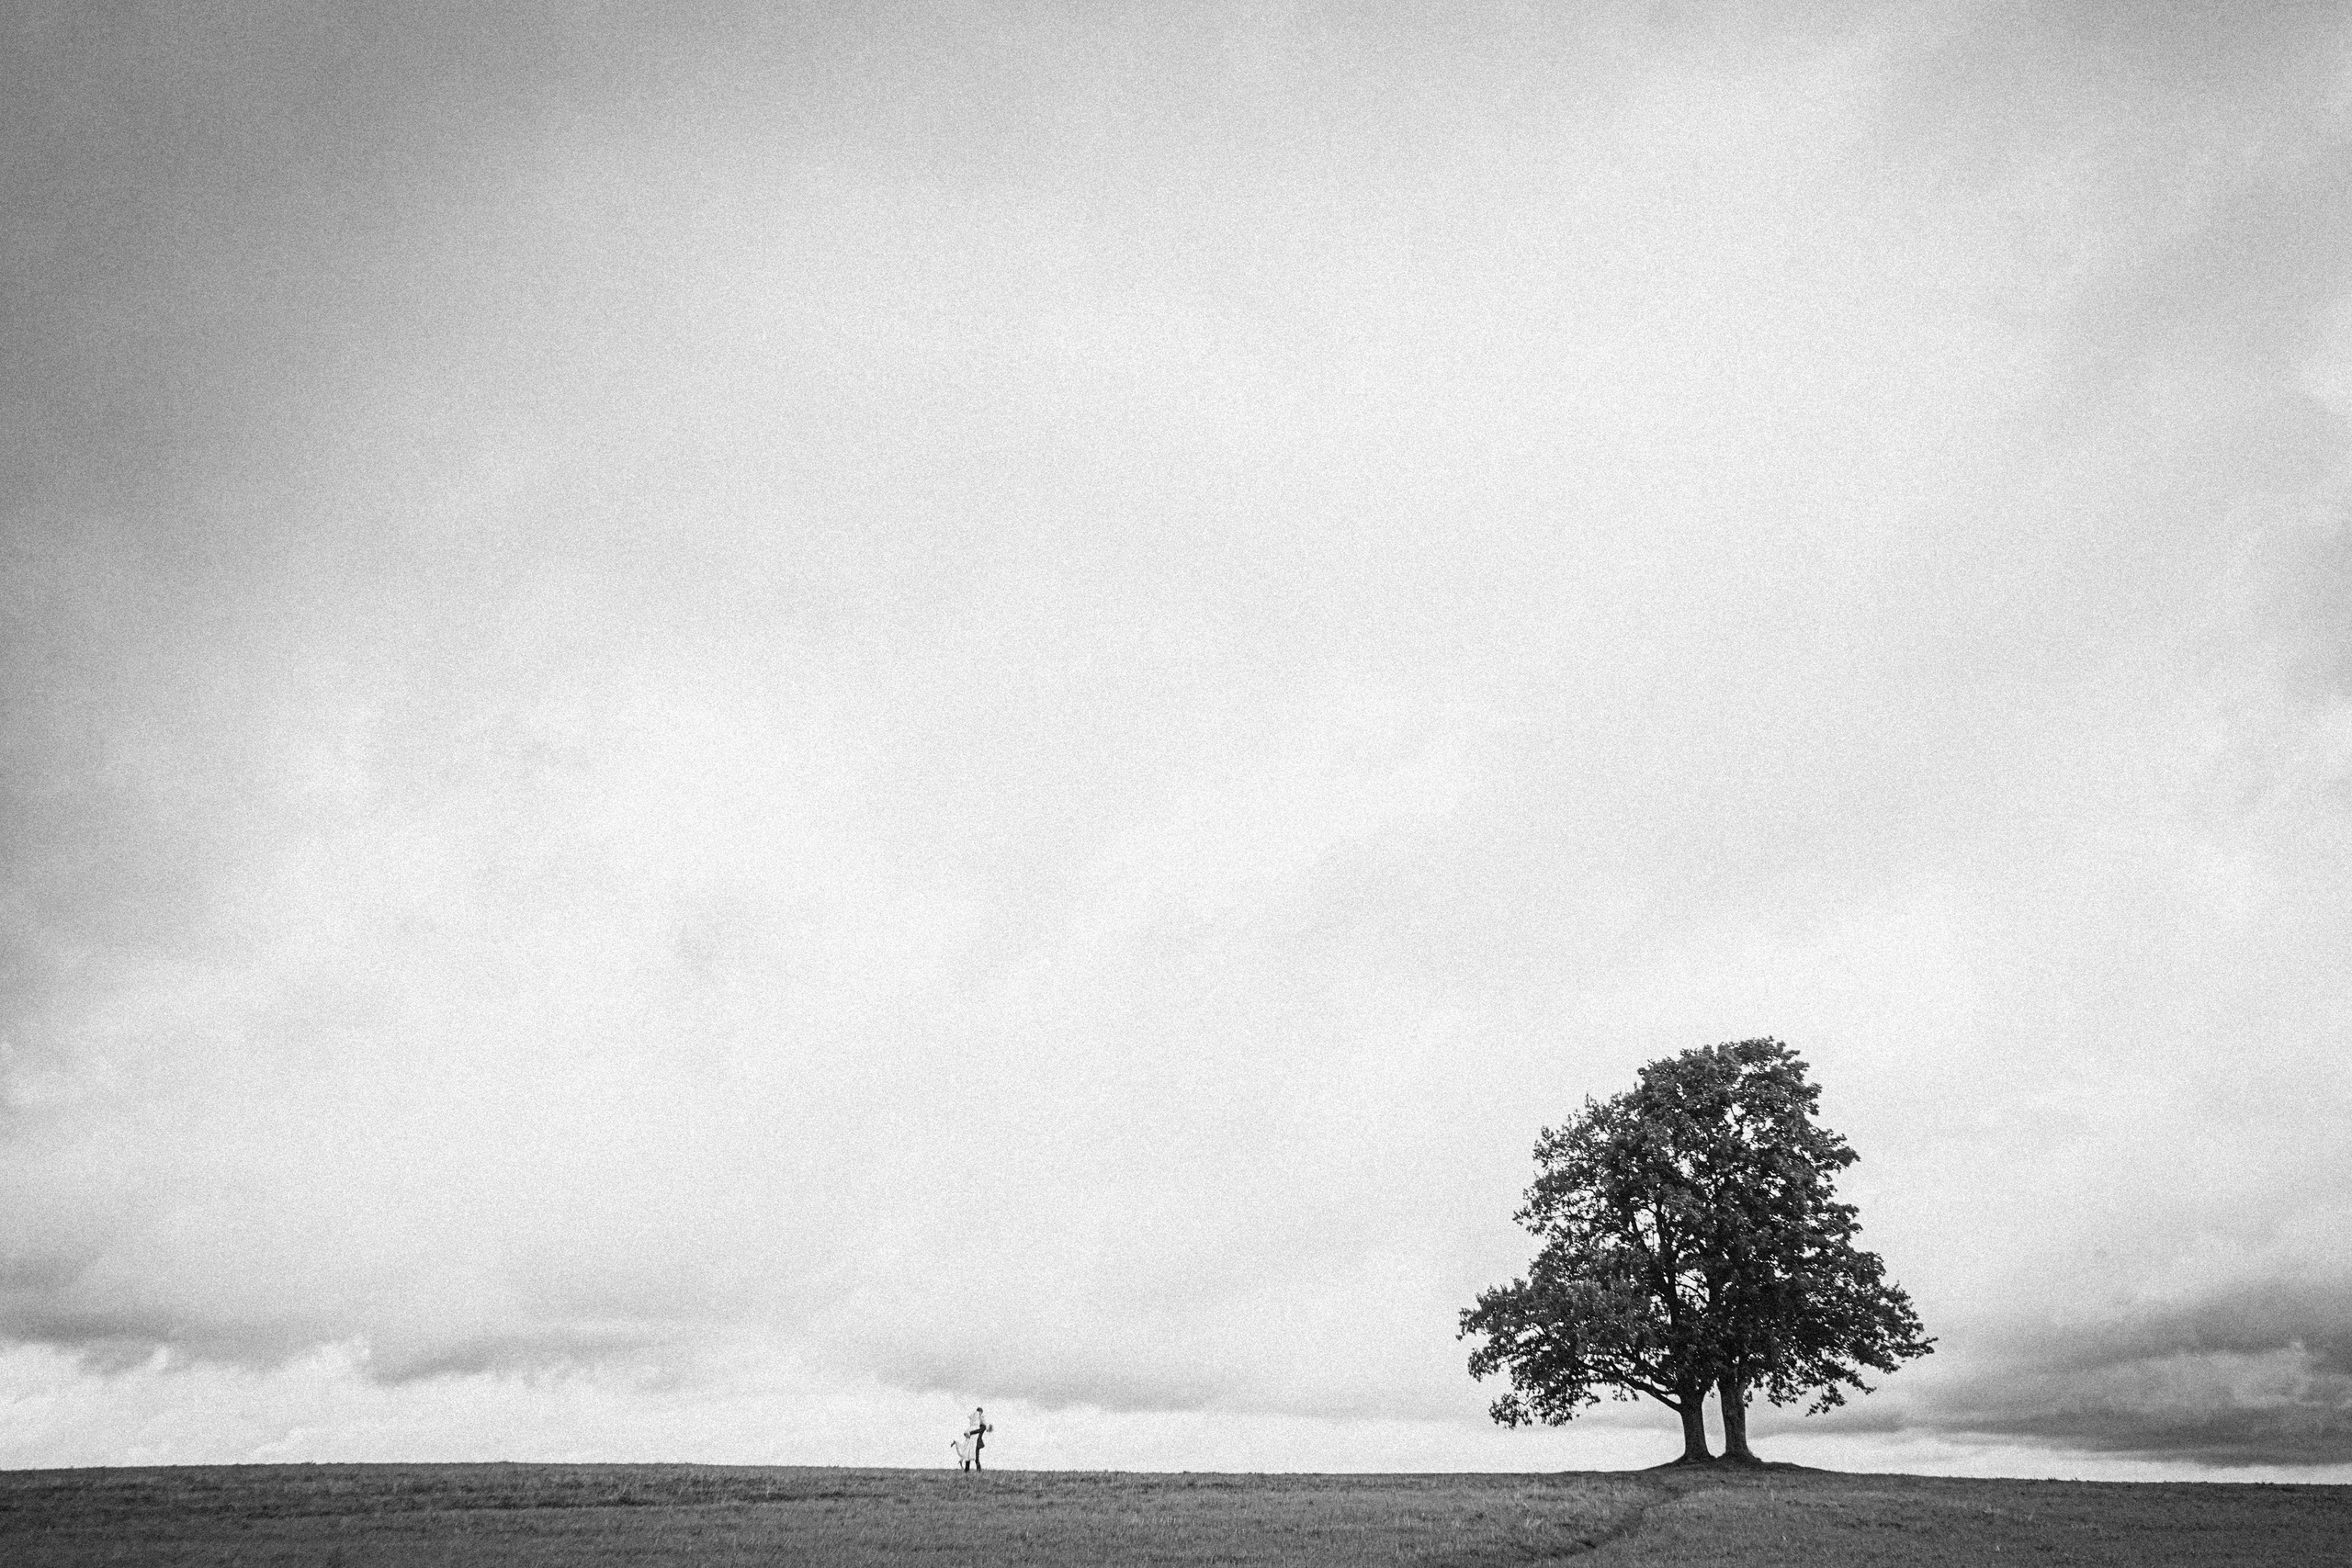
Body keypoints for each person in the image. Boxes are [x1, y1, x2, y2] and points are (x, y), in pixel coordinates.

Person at [963, 1406, 991, 1472]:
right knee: (968, 1456)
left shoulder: (983, 1426)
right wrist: (967, 1433)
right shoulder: (975, 1425)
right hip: (972, 1441)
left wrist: (969, 1433)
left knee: (976, 1458)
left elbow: (978, 1431)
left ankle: (979, 1470)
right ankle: (967, 1470)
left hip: (977, 1442)